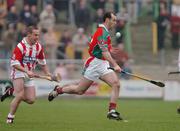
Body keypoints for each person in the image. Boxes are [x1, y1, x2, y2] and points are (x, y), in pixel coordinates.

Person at [48, 12, 123, 121]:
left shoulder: (104, 32)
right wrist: (115, 65)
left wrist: (110, 50)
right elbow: (104, 52)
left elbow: (98, 47)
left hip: (103, 63)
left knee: (116, 84)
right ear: (107, 20)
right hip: (94, 64)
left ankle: (111, 111)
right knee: (80, 90)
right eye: (113, 20)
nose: (115, 23)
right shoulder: (102, 32)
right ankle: (59, 90)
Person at [5, 26, 52, 124]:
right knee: (20, 95)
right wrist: (26, 71)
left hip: (29, 74)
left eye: (38, 35)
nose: (37, 37)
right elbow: (14, 63)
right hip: (18, 72)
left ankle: (11, 91)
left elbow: (42, 63)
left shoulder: (38, 47)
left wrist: (47, 73)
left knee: (31, 100)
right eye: (35, 35)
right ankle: (10, 117)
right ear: (29, 34)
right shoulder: (20, 46)